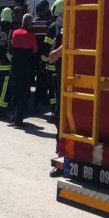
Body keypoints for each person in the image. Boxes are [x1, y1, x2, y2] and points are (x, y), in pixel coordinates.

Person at [10, 14, 38, 127]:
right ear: (30, 23)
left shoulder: (15, 33)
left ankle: (13, 117)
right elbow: (35, 50)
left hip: (15, 68)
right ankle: (19, 120)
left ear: (22, 21)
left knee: (15, 93)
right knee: (23, 94)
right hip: (26, 69)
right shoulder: (31, 36)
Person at [41, 0, 64, 117]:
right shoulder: (66, 26)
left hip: (52, 65)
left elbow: (46, 49)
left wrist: (43, 63)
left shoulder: (53, 27)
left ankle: (54, 112)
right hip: (62, 65)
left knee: (53, 91)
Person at [31, 0, 51, 113]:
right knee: (43, 79)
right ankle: (41, 99)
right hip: (44, 55)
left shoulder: (32, 23)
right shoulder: (48, 23)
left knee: (34, 79)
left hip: (34, 55)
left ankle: (35, 101)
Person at [49, 27, 63, 177]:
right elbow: (51, 57)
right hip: (62, 87)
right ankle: (60, 162)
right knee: (60, 124)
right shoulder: (61, 33)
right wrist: (64, 47)